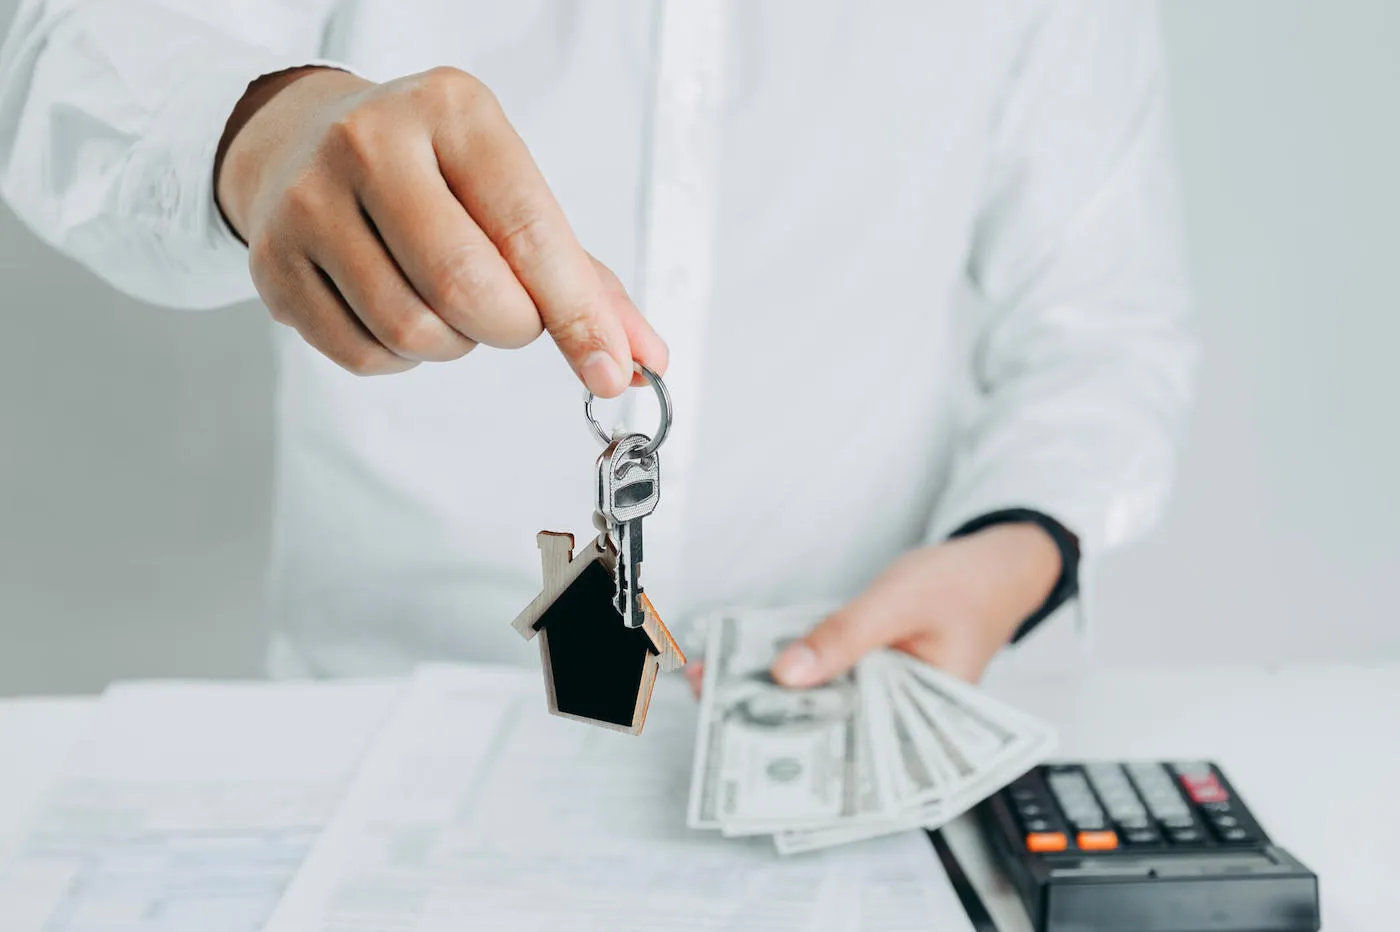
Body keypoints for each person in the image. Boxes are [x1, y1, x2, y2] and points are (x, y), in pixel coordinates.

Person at [0, 2, 1193, 687]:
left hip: (845, 693)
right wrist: (256, 127)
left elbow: (1099, 330)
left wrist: (1017, 542)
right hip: (386, 707)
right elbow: (74, 47)